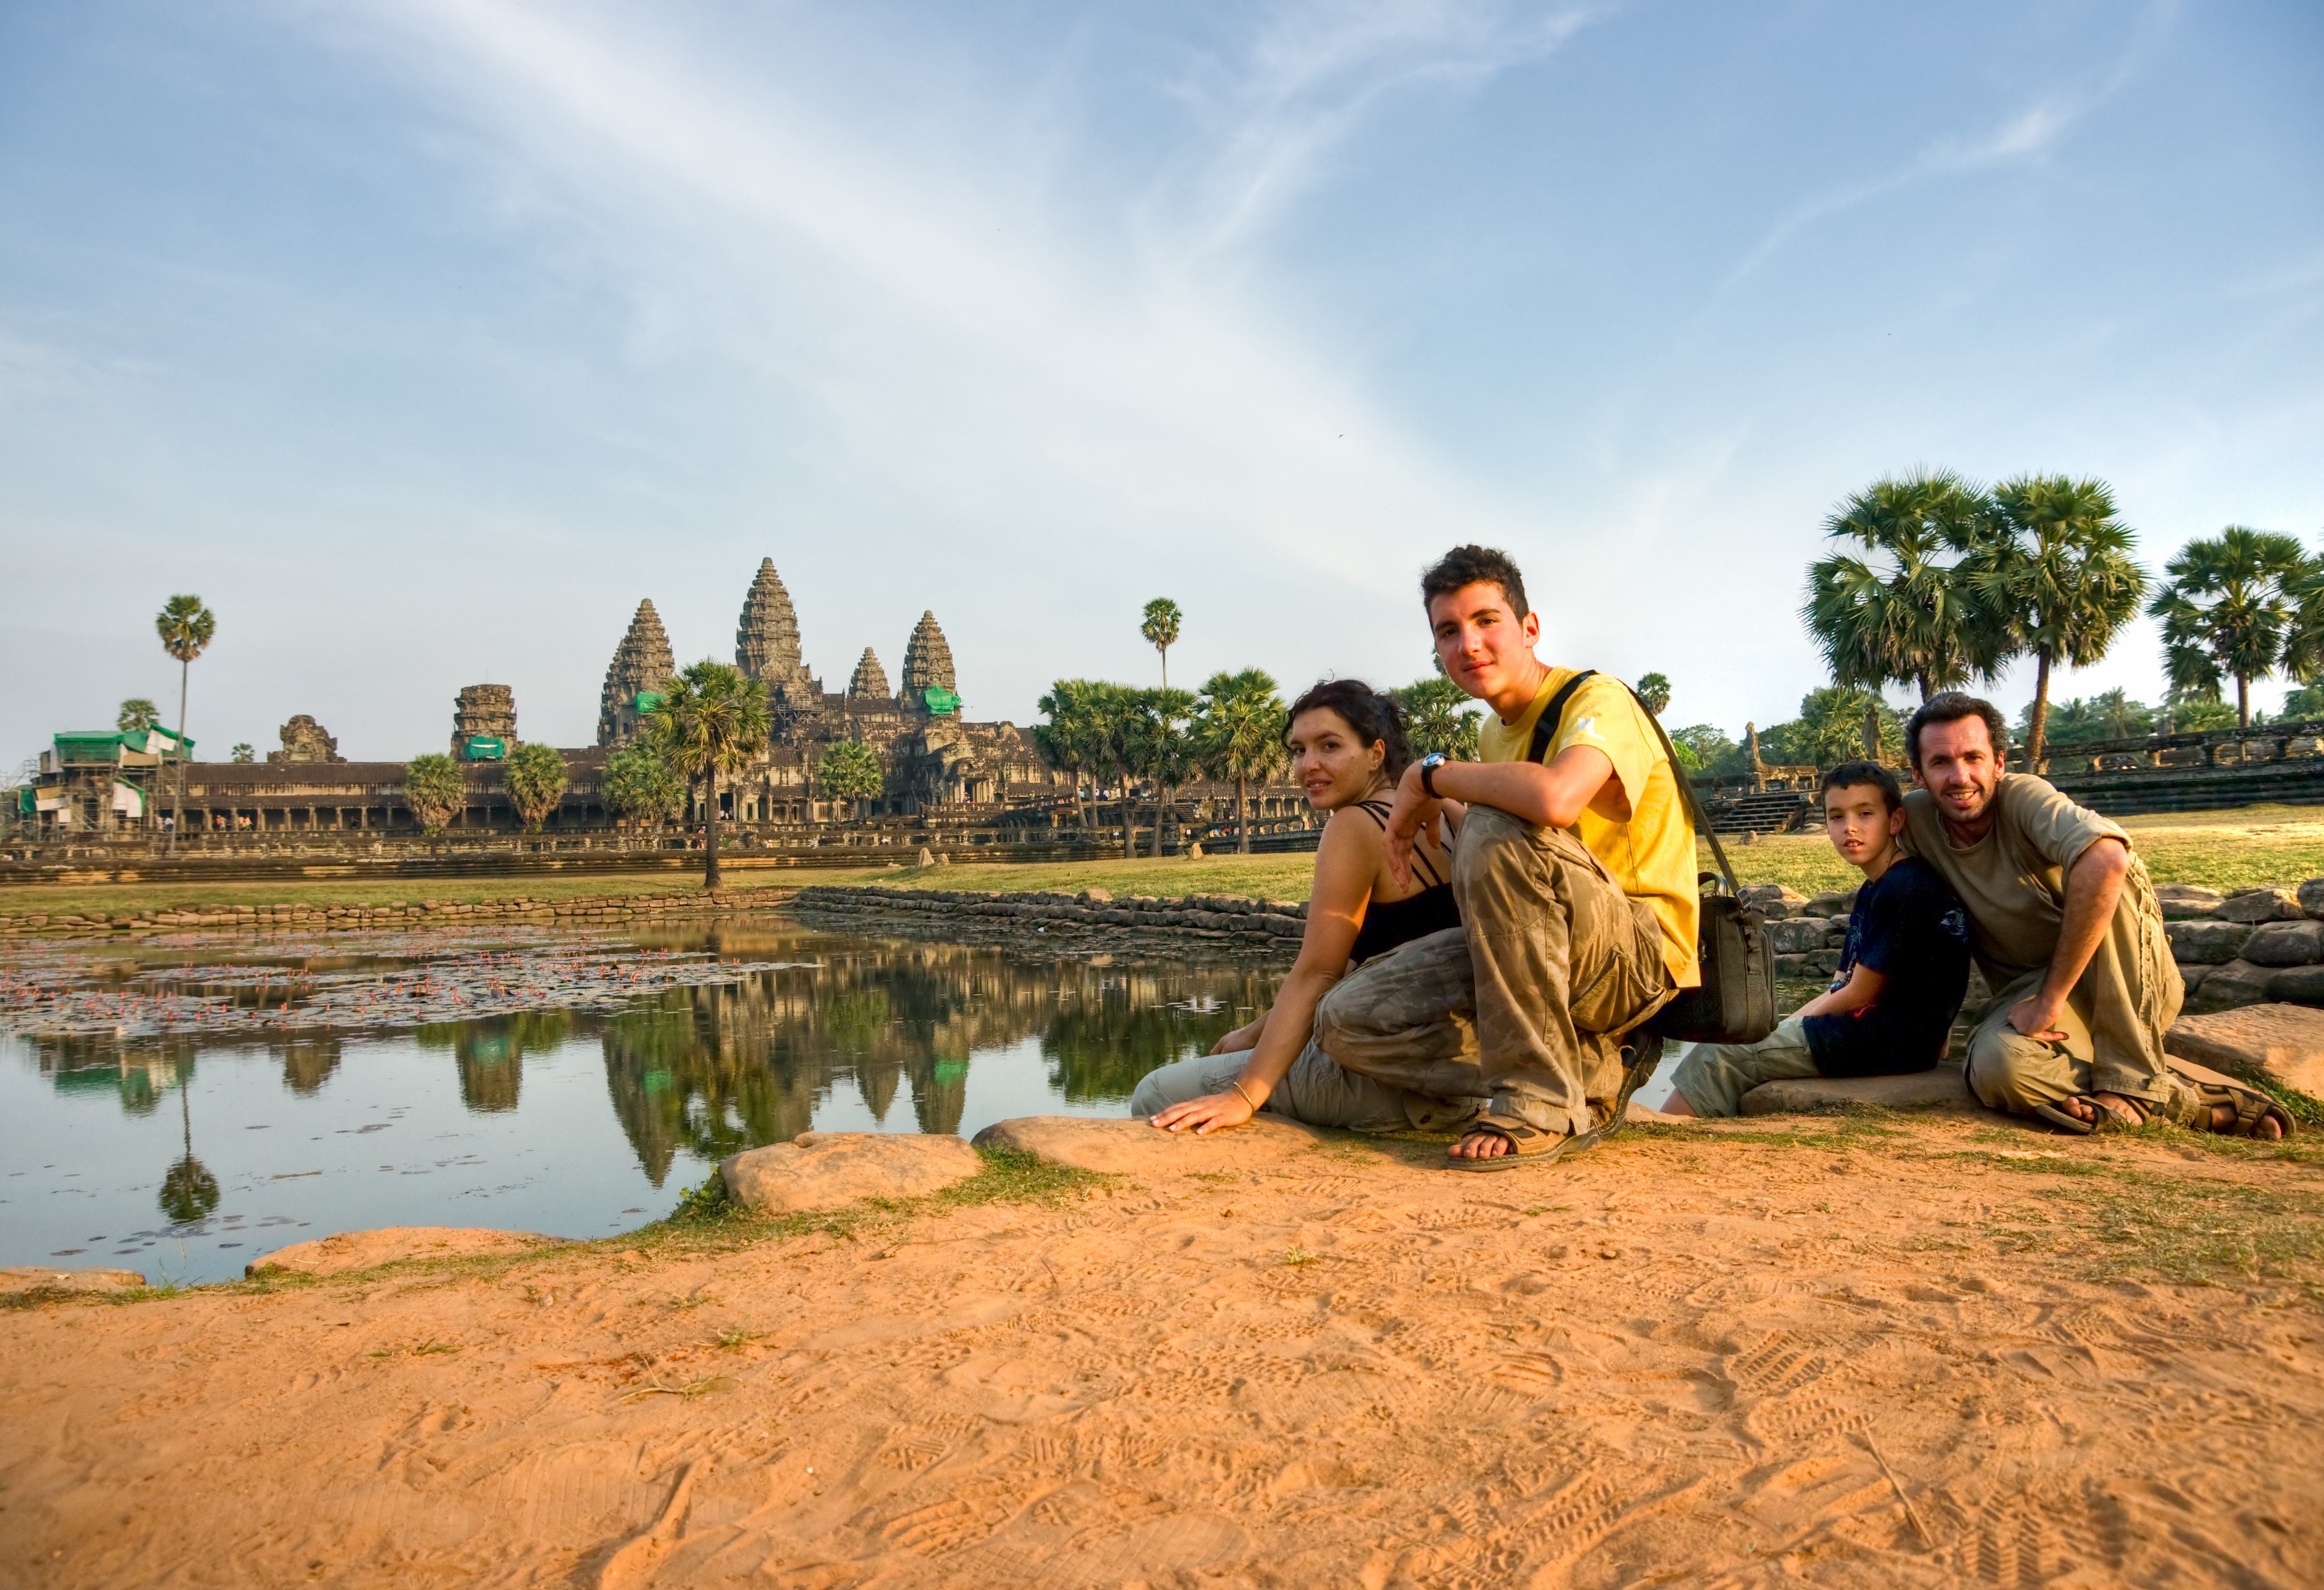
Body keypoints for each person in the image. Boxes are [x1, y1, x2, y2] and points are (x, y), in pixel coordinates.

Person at [1295, 545, 1696, 1170]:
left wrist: (1429, 776)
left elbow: (1558, 799)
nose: (1469, 644)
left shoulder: (1598, 701)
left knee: (1497, 819)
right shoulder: (1494, 733)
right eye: (1449, 631)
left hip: (1632, 956)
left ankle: (1535, 1102)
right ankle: (1579, 1072)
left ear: (1529, 628)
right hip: (1543, 946)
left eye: (1486, 621)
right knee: (1345, 1020)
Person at [1900, 691, 2292, 1139]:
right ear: (1919, 774)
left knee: (2110, 868)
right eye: (1941, 763)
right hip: (2029, 998)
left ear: (1999, 763)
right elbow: (1874, 866)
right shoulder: (1915, 820)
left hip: (2123, 982)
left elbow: (2106, 859)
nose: (1960, 776)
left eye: (1973, 757)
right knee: (1998, 1070)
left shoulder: (2024, 797)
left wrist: (2051, 998)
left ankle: (2131, 1076)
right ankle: (2190, 1101)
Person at [1132, 681, 1478, 1133]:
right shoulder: (1441, 811)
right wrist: (1253, 1033)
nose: (1308, 765)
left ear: (1376, 754)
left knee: (1156, 1091)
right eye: (1298, 750)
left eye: (1329, 746)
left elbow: (1319, 973)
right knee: (1233, 1056)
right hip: (1459, 1075)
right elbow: (1367, 965)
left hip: (1398, 1090)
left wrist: (1243, 1096)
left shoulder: (1355, 826)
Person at [1665, 760, 1970, 1117]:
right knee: (1750, 1039)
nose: (1850, 828)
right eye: (1837, 817)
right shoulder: (1876, 888)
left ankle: (1668, 1133)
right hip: (1880, 1035)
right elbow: (1842, 983)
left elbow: (1860, 993)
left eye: (1866, 813)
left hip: (1889, 1040)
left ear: (1896, 821)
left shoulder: (1905, 889)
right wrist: (1786, 1025)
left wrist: (1790, 1028)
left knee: (1719, 1055)